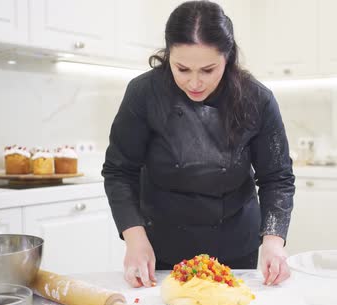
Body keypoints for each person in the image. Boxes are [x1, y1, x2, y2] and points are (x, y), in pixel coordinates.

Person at [102, 0, 295, 288]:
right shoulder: (144, 93)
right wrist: (135, 238)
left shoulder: (257, 98)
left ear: (227, 58)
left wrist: (273, 241)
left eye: (208, 70)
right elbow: (119, 171)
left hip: (235, 244)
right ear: (168, 55)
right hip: (161, 245)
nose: (194, 83)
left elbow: (277, 178)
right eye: (182, 69)